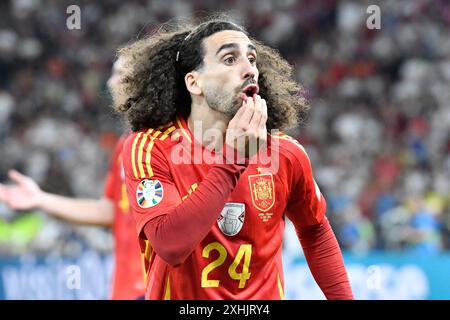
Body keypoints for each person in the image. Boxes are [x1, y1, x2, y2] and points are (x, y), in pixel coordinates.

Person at [116, 17, 354, 300]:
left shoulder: (286, 154)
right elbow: (170, 245)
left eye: (251, 59)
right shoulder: (150, 147)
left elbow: (315, 230)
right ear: (194, 83)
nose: (249, 70)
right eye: (230, 59)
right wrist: (233, 160)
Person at [0, 57, 145, 300]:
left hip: (159, 289)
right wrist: (41, 200)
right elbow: (112, 212)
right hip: (126, 290)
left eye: (121, 74)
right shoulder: (125, 145)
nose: (110, 82)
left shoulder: (176, 143)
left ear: (149, 81)